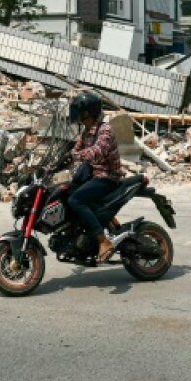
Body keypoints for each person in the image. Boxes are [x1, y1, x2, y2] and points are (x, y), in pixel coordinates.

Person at [67, 92, 124, 262]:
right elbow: (75, 150)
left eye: (79, 112)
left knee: (75, 200)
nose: (77, 116)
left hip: (108, 177)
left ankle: (103, 241)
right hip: (94, 175)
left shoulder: (104, 130)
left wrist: (76, 156)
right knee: (66, 191)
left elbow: (97, 152)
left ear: (87, 113)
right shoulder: (86, 132)